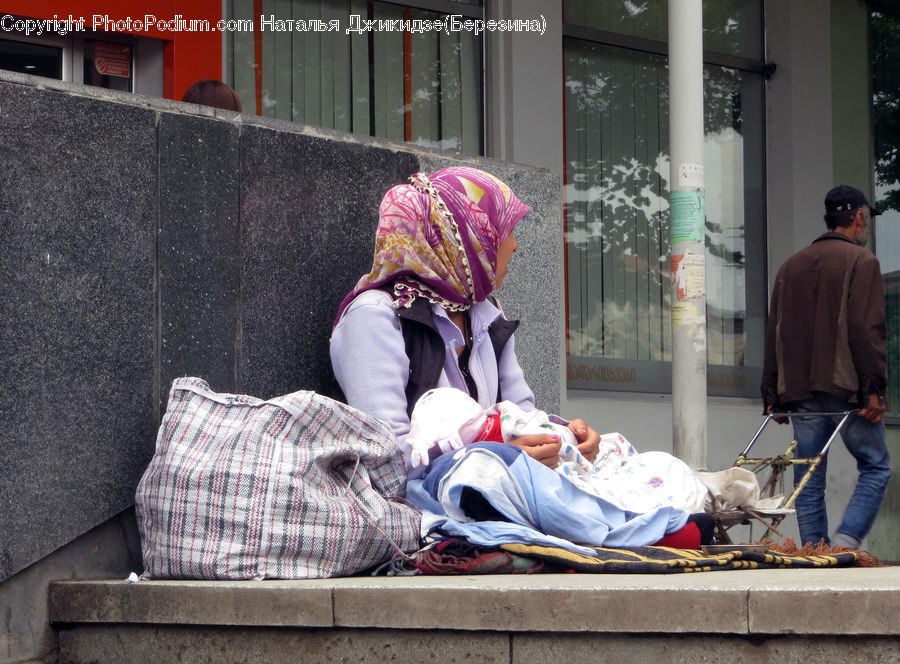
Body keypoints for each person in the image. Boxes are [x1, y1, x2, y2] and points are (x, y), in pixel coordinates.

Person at [330, 166, 601, 471]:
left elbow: (521, 417)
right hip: (420, 511)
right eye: (504, 231)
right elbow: (386, 457)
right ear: (467, 238)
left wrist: (564, 436)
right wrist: (493, 453)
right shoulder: (377, 316)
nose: (514, 245)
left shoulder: (484, 312)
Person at [761, 184, 893, 549]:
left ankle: (814, 551)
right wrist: (874, 388)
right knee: (877, 467)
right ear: (858, 218)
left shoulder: (791, 265)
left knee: (808, 474)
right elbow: (868, 329)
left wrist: (772, 394)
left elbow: (775, 329)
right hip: (845, 388)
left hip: (800, 392)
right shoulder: (862, 262)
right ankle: (845, 545)